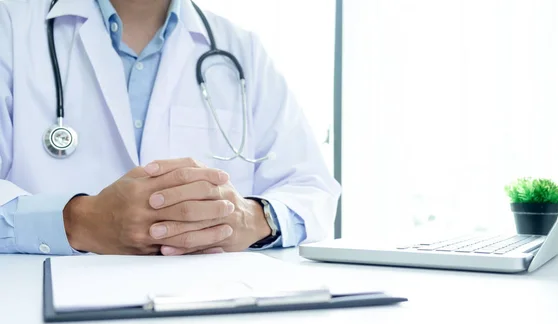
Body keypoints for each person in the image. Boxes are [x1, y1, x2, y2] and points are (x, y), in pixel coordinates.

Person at [0, 0, 340, 256]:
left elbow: (312, 189)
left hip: (205, 320)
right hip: (39, 323)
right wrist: (77, 222)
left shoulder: (241, 50)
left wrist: (249, 219)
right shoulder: (11, 26)